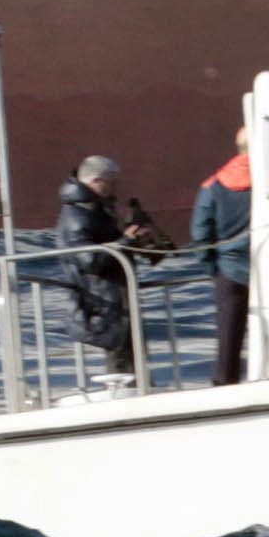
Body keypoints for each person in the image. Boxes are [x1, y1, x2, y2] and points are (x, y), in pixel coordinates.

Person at [54, 155, 169, 376]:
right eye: (112, 182)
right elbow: (91, 260)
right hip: (104, 304)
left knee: (134, 365)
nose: (116, 188)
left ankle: (137, 397)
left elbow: (109, 245)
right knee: (123, 370)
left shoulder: (94, 210)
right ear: (97, 181)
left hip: (115, 301)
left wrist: (135, 241)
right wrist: (126, 241)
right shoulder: (78, 216)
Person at [189, 143, 256, 385]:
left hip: (230, 270)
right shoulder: (268, 178)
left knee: (228, 336)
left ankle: (225, 383)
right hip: (268, 268)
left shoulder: (213, 185)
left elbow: (200, 233)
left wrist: (213, 269)